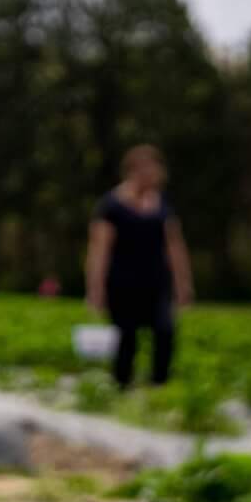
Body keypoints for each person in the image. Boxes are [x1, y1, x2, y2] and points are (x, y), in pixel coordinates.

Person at [84, 144, 194, 389]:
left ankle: (159, 386)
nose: (154, 176)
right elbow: (99, 249)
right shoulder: (111, 205)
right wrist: (95, 288)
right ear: (133, 171)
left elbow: (174, 246)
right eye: (149, 170)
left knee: (165, 332)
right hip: (122, 282)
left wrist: (183, 283)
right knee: (127, 338)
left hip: (156, 282)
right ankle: (122, 387)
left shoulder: (162, 204)